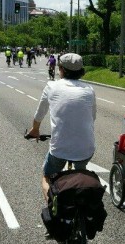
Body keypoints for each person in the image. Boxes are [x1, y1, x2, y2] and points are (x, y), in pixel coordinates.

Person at [26, 53, 96, 202]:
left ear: (61, 69)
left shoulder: (52, 86)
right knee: (81, 175)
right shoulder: (89, 90)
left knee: (47, 176)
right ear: (81, 71)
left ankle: (52, 206)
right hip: (86, 149)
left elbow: (39, 114)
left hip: (60, 149)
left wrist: (35, 129)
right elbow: (92, 117)